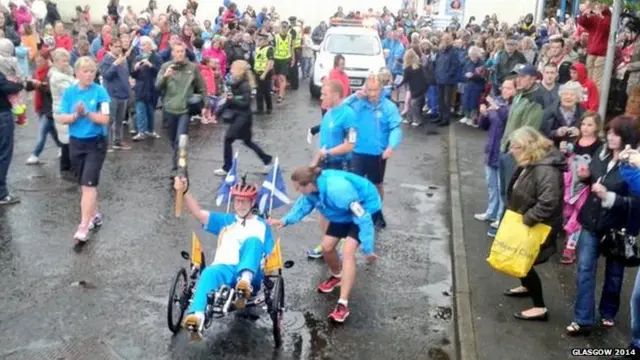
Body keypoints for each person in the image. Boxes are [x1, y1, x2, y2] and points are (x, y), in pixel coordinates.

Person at [268, 166, 381, 323]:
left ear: (308, 184)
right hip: (341, 213)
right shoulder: (311, 190)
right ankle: (337, 276)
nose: (297, 191)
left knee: (347, 252)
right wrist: (284, 220)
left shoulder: (339, 191)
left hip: (366, 208)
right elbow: (303, 205)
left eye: (298, 188)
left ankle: (343, 304)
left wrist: (368, 248)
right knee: (327, 247)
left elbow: (363, 217)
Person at [566, 115, 640, 336]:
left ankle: (608, 311)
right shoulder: (601, 152)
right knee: (585, 269)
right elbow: (597, 179)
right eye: (608, 132)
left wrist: (610, 196)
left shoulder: (634, 161)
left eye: (615, 134)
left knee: (614, 274)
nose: (610, 137)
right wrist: (587, 177)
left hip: (618, 226)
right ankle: (583, 319)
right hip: (592, 219)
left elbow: (636, 202)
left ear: (627, 136)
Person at [176, 176, 274, 341]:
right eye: (237, 201)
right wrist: (185, 191)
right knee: (209, 272)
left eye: (244, 201)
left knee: (253, 242)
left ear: (252, 202)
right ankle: (197, 318)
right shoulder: (226, 221)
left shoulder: (262, 225)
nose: (240, 205)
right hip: (224, 268)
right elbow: (198, 213)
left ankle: (245, 284)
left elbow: (270, 254)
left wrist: (267, 264)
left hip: (252, 273)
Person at [502, 127, 565, 321]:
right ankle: (526, 286)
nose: (512, 150)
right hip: (524, 219)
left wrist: (528, 218)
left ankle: (540, 307)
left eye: (516, 146)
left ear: (528, 146)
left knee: (525, 261)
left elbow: (548, 202)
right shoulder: (531, 161)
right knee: (519, 257)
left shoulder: (545, 169)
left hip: (536, 223)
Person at [57, 57, 111, 242]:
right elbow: (62, 118)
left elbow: (105, 119)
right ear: (77, 73)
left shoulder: (100, 92)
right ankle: (94, 214)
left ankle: (83, 226)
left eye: (92, 71)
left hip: (96, 143)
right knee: (83, 184)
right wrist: (75, 115)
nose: (89, 75)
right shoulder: (70, 92)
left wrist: (87, 113)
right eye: (85, 71)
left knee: (89, 184)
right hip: (76, 142)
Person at [343, 74, 403, 228]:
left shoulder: (388, 106)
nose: (372, 94)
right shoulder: (358, 103)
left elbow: (395, 128)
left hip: (378, 154)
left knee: (376, 185)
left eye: (375, 90)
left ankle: (376, 213)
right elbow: (341, 108)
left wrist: (391, 147)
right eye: (369, 90)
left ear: (381, 90)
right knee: (355, 186)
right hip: (357, 152)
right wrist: (354, 97)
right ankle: (357, 216)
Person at [306, 80, 357, 259]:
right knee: (323, 206)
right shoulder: (328, 113)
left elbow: (350, 145)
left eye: (324, 94)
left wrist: (328, 152)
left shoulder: (348, 115)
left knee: (338, 206)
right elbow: (324, 142)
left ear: (335, 95)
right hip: (324, 166)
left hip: (340, 166)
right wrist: (316, 161)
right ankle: (327, 242)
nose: (321, 97)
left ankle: (341, 241)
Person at [155, 41, 208, 177]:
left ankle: (179, 168)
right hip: (169, 108)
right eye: (177, 51)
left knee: (181, 140)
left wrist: (205, 105)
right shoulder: (166, 66)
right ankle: (177, 163)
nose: (179, 54)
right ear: (172, 53)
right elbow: (157, 86)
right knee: (173, 141)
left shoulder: (192, 67)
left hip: (184, 109)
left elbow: (202, 87)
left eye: (182, 51)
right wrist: (165, 77)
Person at [213, 60, 272, 176]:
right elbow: (228, 102)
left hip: (243, 117)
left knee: (228, 139)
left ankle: (227, 168)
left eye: (233, 68)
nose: (231, 70)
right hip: (238, 116)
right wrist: (217, 113)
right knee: (247, 141)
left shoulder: (245, 85)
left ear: (240, 71)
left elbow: (246, 103)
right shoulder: (233, 83)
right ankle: (267, 160)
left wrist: (232, 99)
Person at [559, 112, 603, 265]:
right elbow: (568, 157)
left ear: (597, 127)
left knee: (578, 216)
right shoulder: (576, 141)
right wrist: (564, 151)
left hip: (585, 186)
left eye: (590, 125)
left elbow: (599, 166)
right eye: (583, 124)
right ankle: (568, 236)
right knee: (567, 211)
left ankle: (570, 248)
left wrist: (589, 175)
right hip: (570, 183)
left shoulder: (599, 145)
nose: (585, 128)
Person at [253, 33, 274, 115]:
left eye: (260, 40)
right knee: (258, 92)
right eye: (258, 39)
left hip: (265, 73)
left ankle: (269, 108)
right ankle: (260, 109)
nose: (258, 41)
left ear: (265, 40)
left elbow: (270, 63)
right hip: (257, 72)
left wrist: (264, 74)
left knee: (266, 91)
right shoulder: (258, 48)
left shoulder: (269, 49)